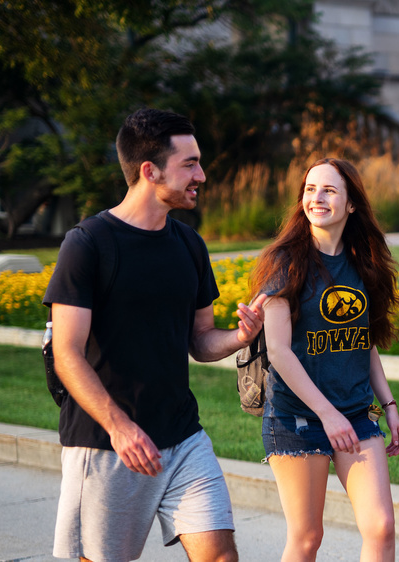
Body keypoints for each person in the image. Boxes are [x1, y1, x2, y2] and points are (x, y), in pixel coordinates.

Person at [44, 108, 265, 561]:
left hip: (182, 436)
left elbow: (200, 339)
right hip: (107, 442)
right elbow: (67, 353)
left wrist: (240, 338)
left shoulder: (189, 245)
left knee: (221, 556)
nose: (201, 175)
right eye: (190, 164)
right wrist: (120, 427)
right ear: (150, 170)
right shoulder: (88, 244)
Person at [251, 158, 399, 562]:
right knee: (307, 538)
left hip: (356, 412)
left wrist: (389, 405)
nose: (316, 198)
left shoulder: (364, 262)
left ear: (351, 204)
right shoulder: (285, 262)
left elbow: (364, 342)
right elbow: (278, 351)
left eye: (329, 190)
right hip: (297, 417)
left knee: (382, 527)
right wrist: (327, 414)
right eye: (310, 189)